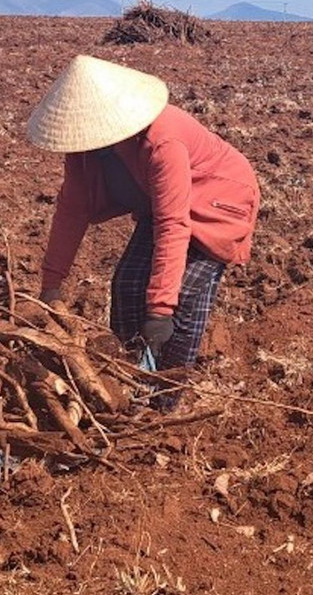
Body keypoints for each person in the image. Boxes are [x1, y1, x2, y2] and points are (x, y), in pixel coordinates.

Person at [26, 55, 259, 390]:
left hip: (219, 201)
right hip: (162, 201)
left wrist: (161, 310)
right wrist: (51, 286)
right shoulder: (83, 150)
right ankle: (124, 380)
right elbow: (71, 210)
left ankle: (166, 398)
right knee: (127, 284)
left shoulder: (162, 141)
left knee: (185, 295)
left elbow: (173, 224)